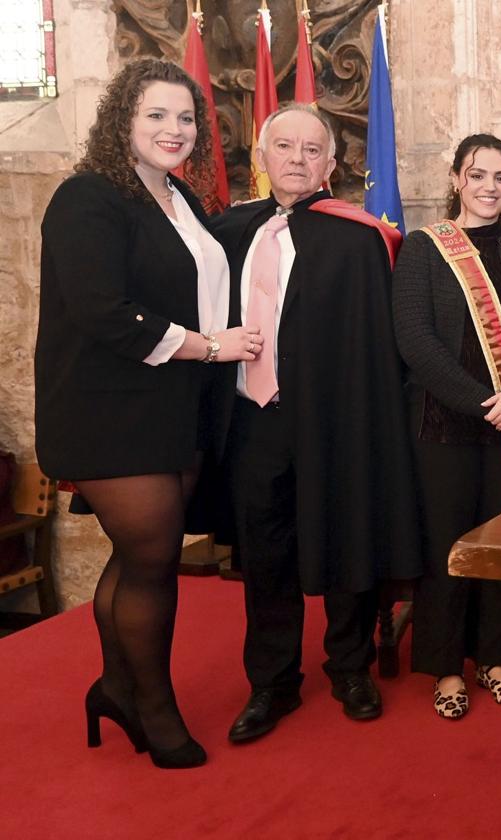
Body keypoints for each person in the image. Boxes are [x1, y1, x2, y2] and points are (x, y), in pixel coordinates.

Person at [35, 58, 263, 769]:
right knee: (154, 562)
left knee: (136, 560)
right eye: (156, 115)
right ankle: (154, 707)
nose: (174, 129)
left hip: (171, 408)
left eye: (186, 118)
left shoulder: (181, 200)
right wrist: (207, 346)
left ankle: (113, 687)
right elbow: (104, 311)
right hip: (108, 413)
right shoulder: (87, 198)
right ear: (122, 121)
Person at [209, 104, 421, 743]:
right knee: (265, 554)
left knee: (344, 535)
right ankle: (271, 683)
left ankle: (349, 666)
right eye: (285, 147)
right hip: (252, 419)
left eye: (311, 150)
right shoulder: (227, 233)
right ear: (261, 158)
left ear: (332, 164)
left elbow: (378, 345)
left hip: (335, 420)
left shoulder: (361, 240)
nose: (297, 159)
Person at [392, 134, 501, 719]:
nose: (490, 187)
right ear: (457, 180)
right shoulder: (423, 249)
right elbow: (416, 340)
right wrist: (483, 401)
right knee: (450, 548)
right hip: (444, 426)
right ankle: (444, 667)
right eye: (478, 174)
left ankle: (496, 657)